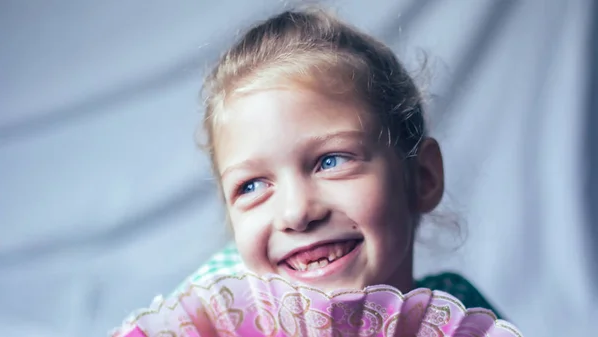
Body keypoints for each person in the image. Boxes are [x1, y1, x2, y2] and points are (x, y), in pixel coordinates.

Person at [181, 7, 502, 317]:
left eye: (331, 161)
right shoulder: (205, 320)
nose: (296, 212)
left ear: (423, 177)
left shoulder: (463, 318)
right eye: (251, 185)